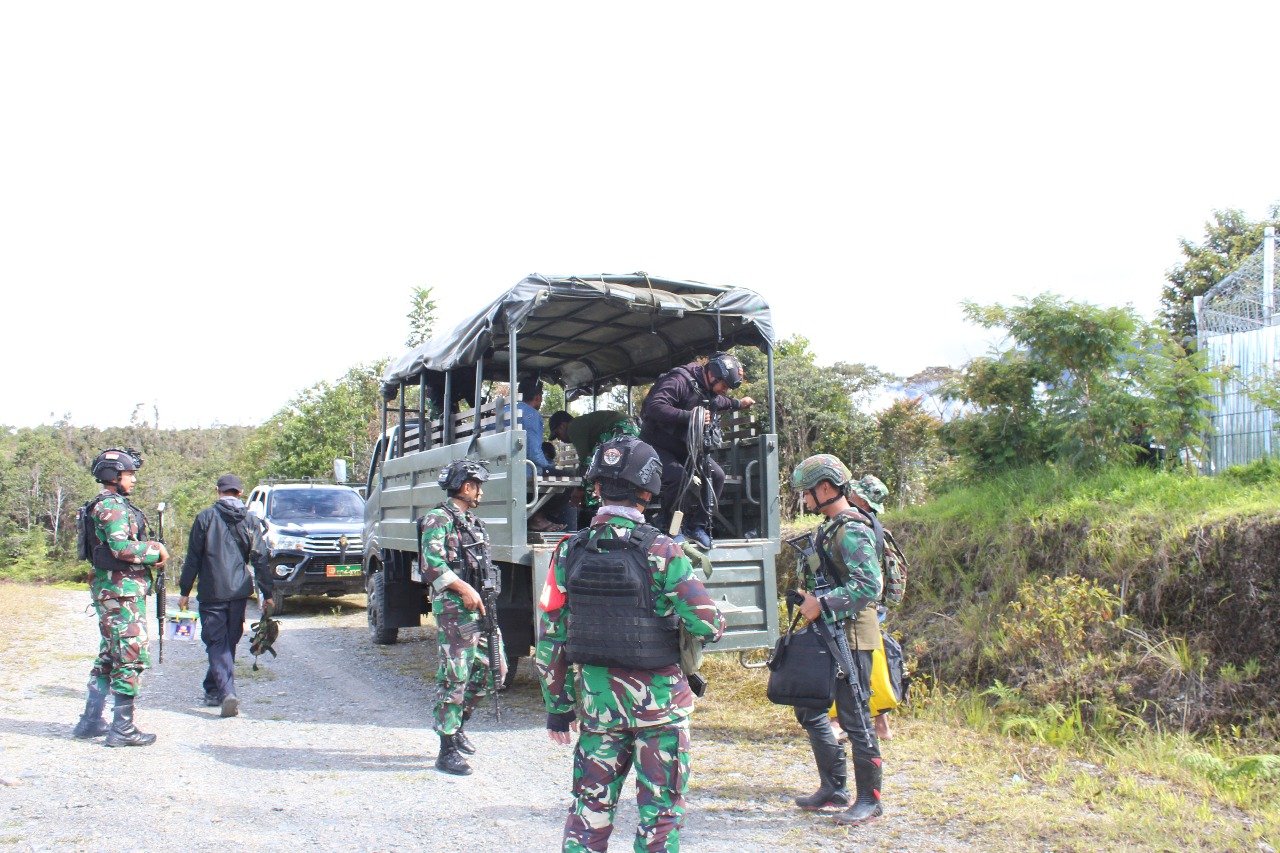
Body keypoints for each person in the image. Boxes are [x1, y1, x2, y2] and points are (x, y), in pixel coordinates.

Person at [536, 435, 726, 852]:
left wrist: (558, 709)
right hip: (660, 708)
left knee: (588, 812)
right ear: (647, 490)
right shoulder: (663, 549)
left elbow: (551, 638)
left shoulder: (568, 551)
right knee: (659, 817)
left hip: (599, 706)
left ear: (597, 487)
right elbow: (708, 624)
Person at [790, 454, 885, 826]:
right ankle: (834, 786)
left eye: (808, 492)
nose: (805, 500)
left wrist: (823, 602)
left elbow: (868, 585)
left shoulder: (852, 529)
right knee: (809, 708)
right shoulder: (829, 528)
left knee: (856, 718)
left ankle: (870, 800)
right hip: (825, 633)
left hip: (852, 637)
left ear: (826, 488)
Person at [72, 448, 169, 747]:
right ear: (113, 476)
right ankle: (122, 728)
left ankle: (91, 720)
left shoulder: (102, 505)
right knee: (129, 654)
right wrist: (155, 551)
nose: (134, 480)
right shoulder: (112, 507)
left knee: (109, 654)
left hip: (111, 591)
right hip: (122, 592)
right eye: (130, 475)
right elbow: (120, 548)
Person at [421, 458, 506, 776]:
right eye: (477, 486)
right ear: (466, 487)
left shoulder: (474, 523)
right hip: (457, 611)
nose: (481, 492)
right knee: (455, 676)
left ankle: (457, 725)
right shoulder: (438, 519)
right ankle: (446, 749)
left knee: (493, 670)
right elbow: (432, 564)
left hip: (482, 608)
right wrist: (464, 589)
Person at [178, 474, 274, 718]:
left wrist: (184, 591)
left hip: (212, 591)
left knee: (216, 642)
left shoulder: (205, 518)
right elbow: (260, 559)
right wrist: (268, 594)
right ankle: (213, 688)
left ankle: (226, 692)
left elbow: (193, 559)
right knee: (228, 640)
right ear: (240, 493)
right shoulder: (251, 521)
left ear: (217, 491)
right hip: (239, 591)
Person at [639, 352, 754, 548]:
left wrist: (739, 404)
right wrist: (689, 416)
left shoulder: (708, 391)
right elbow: (655, 407)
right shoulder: (679, 380)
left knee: (716, 475)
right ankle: (671, 529)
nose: (723, 391)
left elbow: (720, 402)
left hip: (685, 447)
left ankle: (697, 526)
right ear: (714, 375)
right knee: (678, 477)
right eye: (724, 386)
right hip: (655, 445)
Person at [519, 377, 572, 532]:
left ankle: (536, 517)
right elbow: (535, 454)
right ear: (538, 397)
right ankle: (537, 516)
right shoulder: (532, 415)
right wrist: (551, 466)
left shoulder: (504, 411)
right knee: (568, 480)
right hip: (525, 470)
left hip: (502, 469)